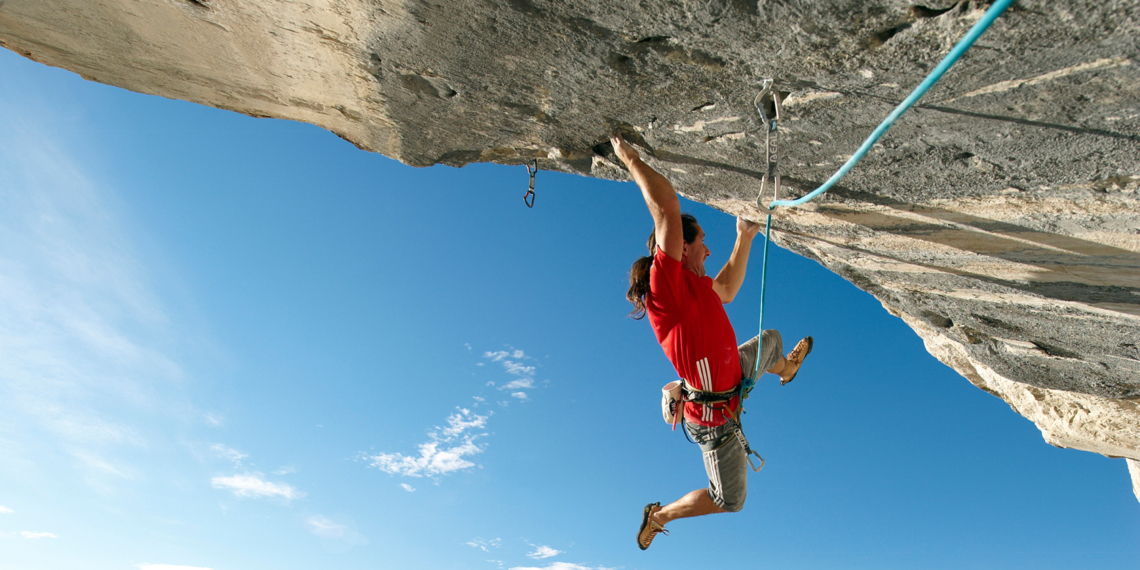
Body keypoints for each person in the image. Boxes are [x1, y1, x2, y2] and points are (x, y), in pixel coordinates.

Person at [611, 133, 814, 550]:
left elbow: (726, 287)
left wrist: (746, 235)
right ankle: (660, 514)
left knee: (772, 341)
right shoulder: (666, 288)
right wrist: (629, 157)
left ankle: (787, 369)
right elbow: (666, 208)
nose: (708, 247)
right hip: (713, 417)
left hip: (733, 377)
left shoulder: (698, 285)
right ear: (681, 247)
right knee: (730, 500)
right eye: (702, 240)